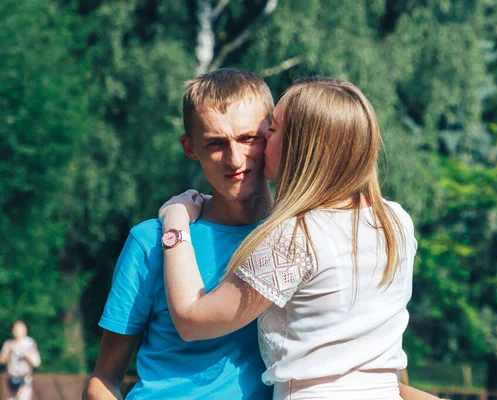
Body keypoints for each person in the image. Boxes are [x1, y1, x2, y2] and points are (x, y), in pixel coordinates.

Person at [159, 77, 419, 399]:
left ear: (300, 146)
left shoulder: (295, 237)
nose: (265, 137)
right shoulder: (395, 220)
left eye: (274, 128)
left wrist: (175, 221)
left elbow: (192, 321)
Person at [83, 68, 275, 399]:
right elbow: (103, 379)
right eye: (215, 143)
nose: (234, 158)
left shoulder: (304, 237)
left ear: (272, 133)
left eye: (248, 138)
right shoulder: (149, 241)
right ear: (190, 147)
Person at [0, 320, 41, 400]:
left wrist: (26, 354)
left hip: (24, 379)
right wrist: (9, 353)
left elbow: (36, 363)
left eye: (20, 328)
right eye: (15, 328)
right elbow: (1, 360)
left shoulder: (30, 344)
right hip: (11, 379)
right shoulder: (8, 344)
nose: (17, 331)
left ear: (25, 330)